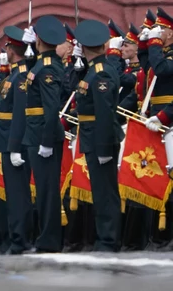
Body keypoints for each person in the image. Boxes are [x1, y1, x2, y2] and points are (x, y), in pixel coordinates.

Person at [73, 18, 123, 253]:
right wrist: (77, 66)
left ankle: (109, 240)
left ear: (83, 48)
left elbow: (103, 113)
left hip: (100, 139)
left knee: (105, 192)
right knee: (100, 191)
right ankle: (105, 237)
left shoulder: (100, 73)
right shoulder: (92, 70)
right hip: (93, 137)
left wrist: (103, 148)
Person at [21, 14, 68, 254]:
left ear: (39, 39)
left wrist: (47, 141)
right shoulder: (41, 62)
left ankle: (49, 240)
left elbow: (51, 109)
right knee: (42, 189)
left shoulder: (49, 67)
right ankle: (45, 237)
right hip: (36, 133)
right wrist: (27, 50)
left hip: (43, 135)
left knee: (48, 191)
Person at [0, 25, 35, 254]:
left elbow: (20, 112)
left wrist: (15, 147)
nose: (5, 50)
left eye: (7, 46)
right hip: (6, 140)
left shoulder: (21, 76)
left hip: (14, 142)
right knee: (13, 194)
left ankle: (20, 240)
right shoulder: (12, 74)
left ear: (13, 49)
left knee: (19, 195)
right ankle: (15, 238)